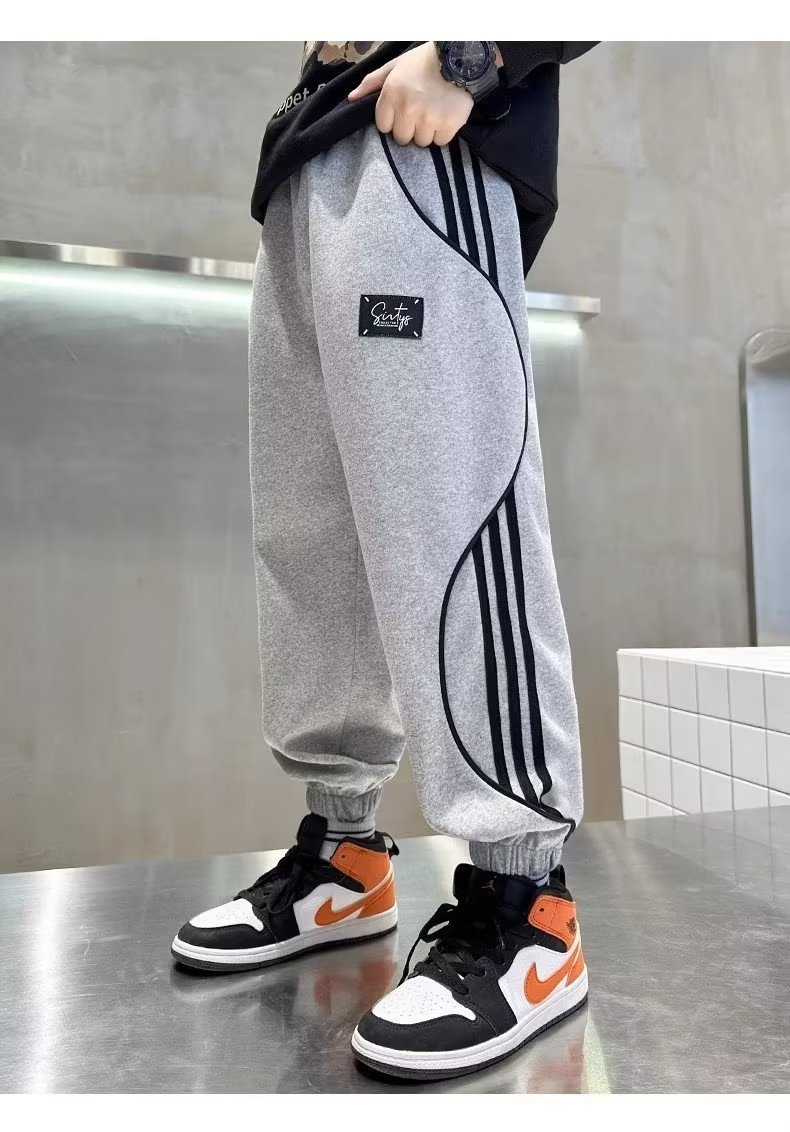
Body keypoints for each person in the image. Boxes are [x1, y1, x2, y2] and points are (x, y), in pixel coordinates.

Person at [172, 39, 597, 1082]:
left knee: (453, 515)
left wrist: (471, 54)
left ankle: (527, 906)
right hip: (308, 159)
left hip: (428, 143)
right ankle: (346, 854)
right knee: (312, 540)